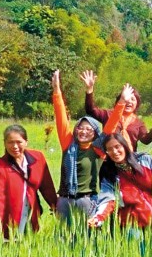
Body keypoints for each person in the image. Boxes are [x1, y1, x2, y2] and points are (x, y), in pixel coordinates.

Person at [51, 70, 129, 228]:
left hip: (88, 201)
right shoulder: (68, 145)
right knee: (63, 240)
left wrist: (121, 101)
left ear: (95, 133)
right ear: (76, 130)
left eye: (89, 129)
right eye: (81, 128)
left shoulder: (97, 149)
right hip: (65, 201)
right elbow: (61, 118)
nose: (84, 131)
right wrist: (57, 90)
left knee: (88, 240)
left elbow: (111, 125)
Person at [88, 134, 152, 257]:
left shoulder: (146, 160)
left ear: (125, 146)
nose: (115, 152)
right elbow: (108, 198)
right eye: (109, 149)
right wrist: (98, 217)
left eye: (117, 147)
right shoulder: (109, 172)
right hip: (132, 224)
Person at [0, 124, 58, 240]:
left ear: (26, 142)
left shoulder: (38, 158)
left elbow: (47, 186)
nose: (15, 146)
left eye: (19, 142)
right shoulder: (0, 167)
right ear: (4, 143)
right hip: (10, 219)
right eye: (10, 142)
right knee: (8, 252)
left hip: (31, 216)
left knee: (29, 249)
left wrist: (55, 205)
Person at [80, 70, 152, 152]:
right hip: (109, 158)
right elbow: (90, 109)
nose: (129, 101)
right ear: (120, 99)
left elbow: (145, 140)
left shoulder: (138, 123)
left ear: (137, 104)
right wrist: (90, 89)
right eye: (127, 98)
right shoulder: (109, 114)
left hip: (129, 160)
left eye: (132, 99)